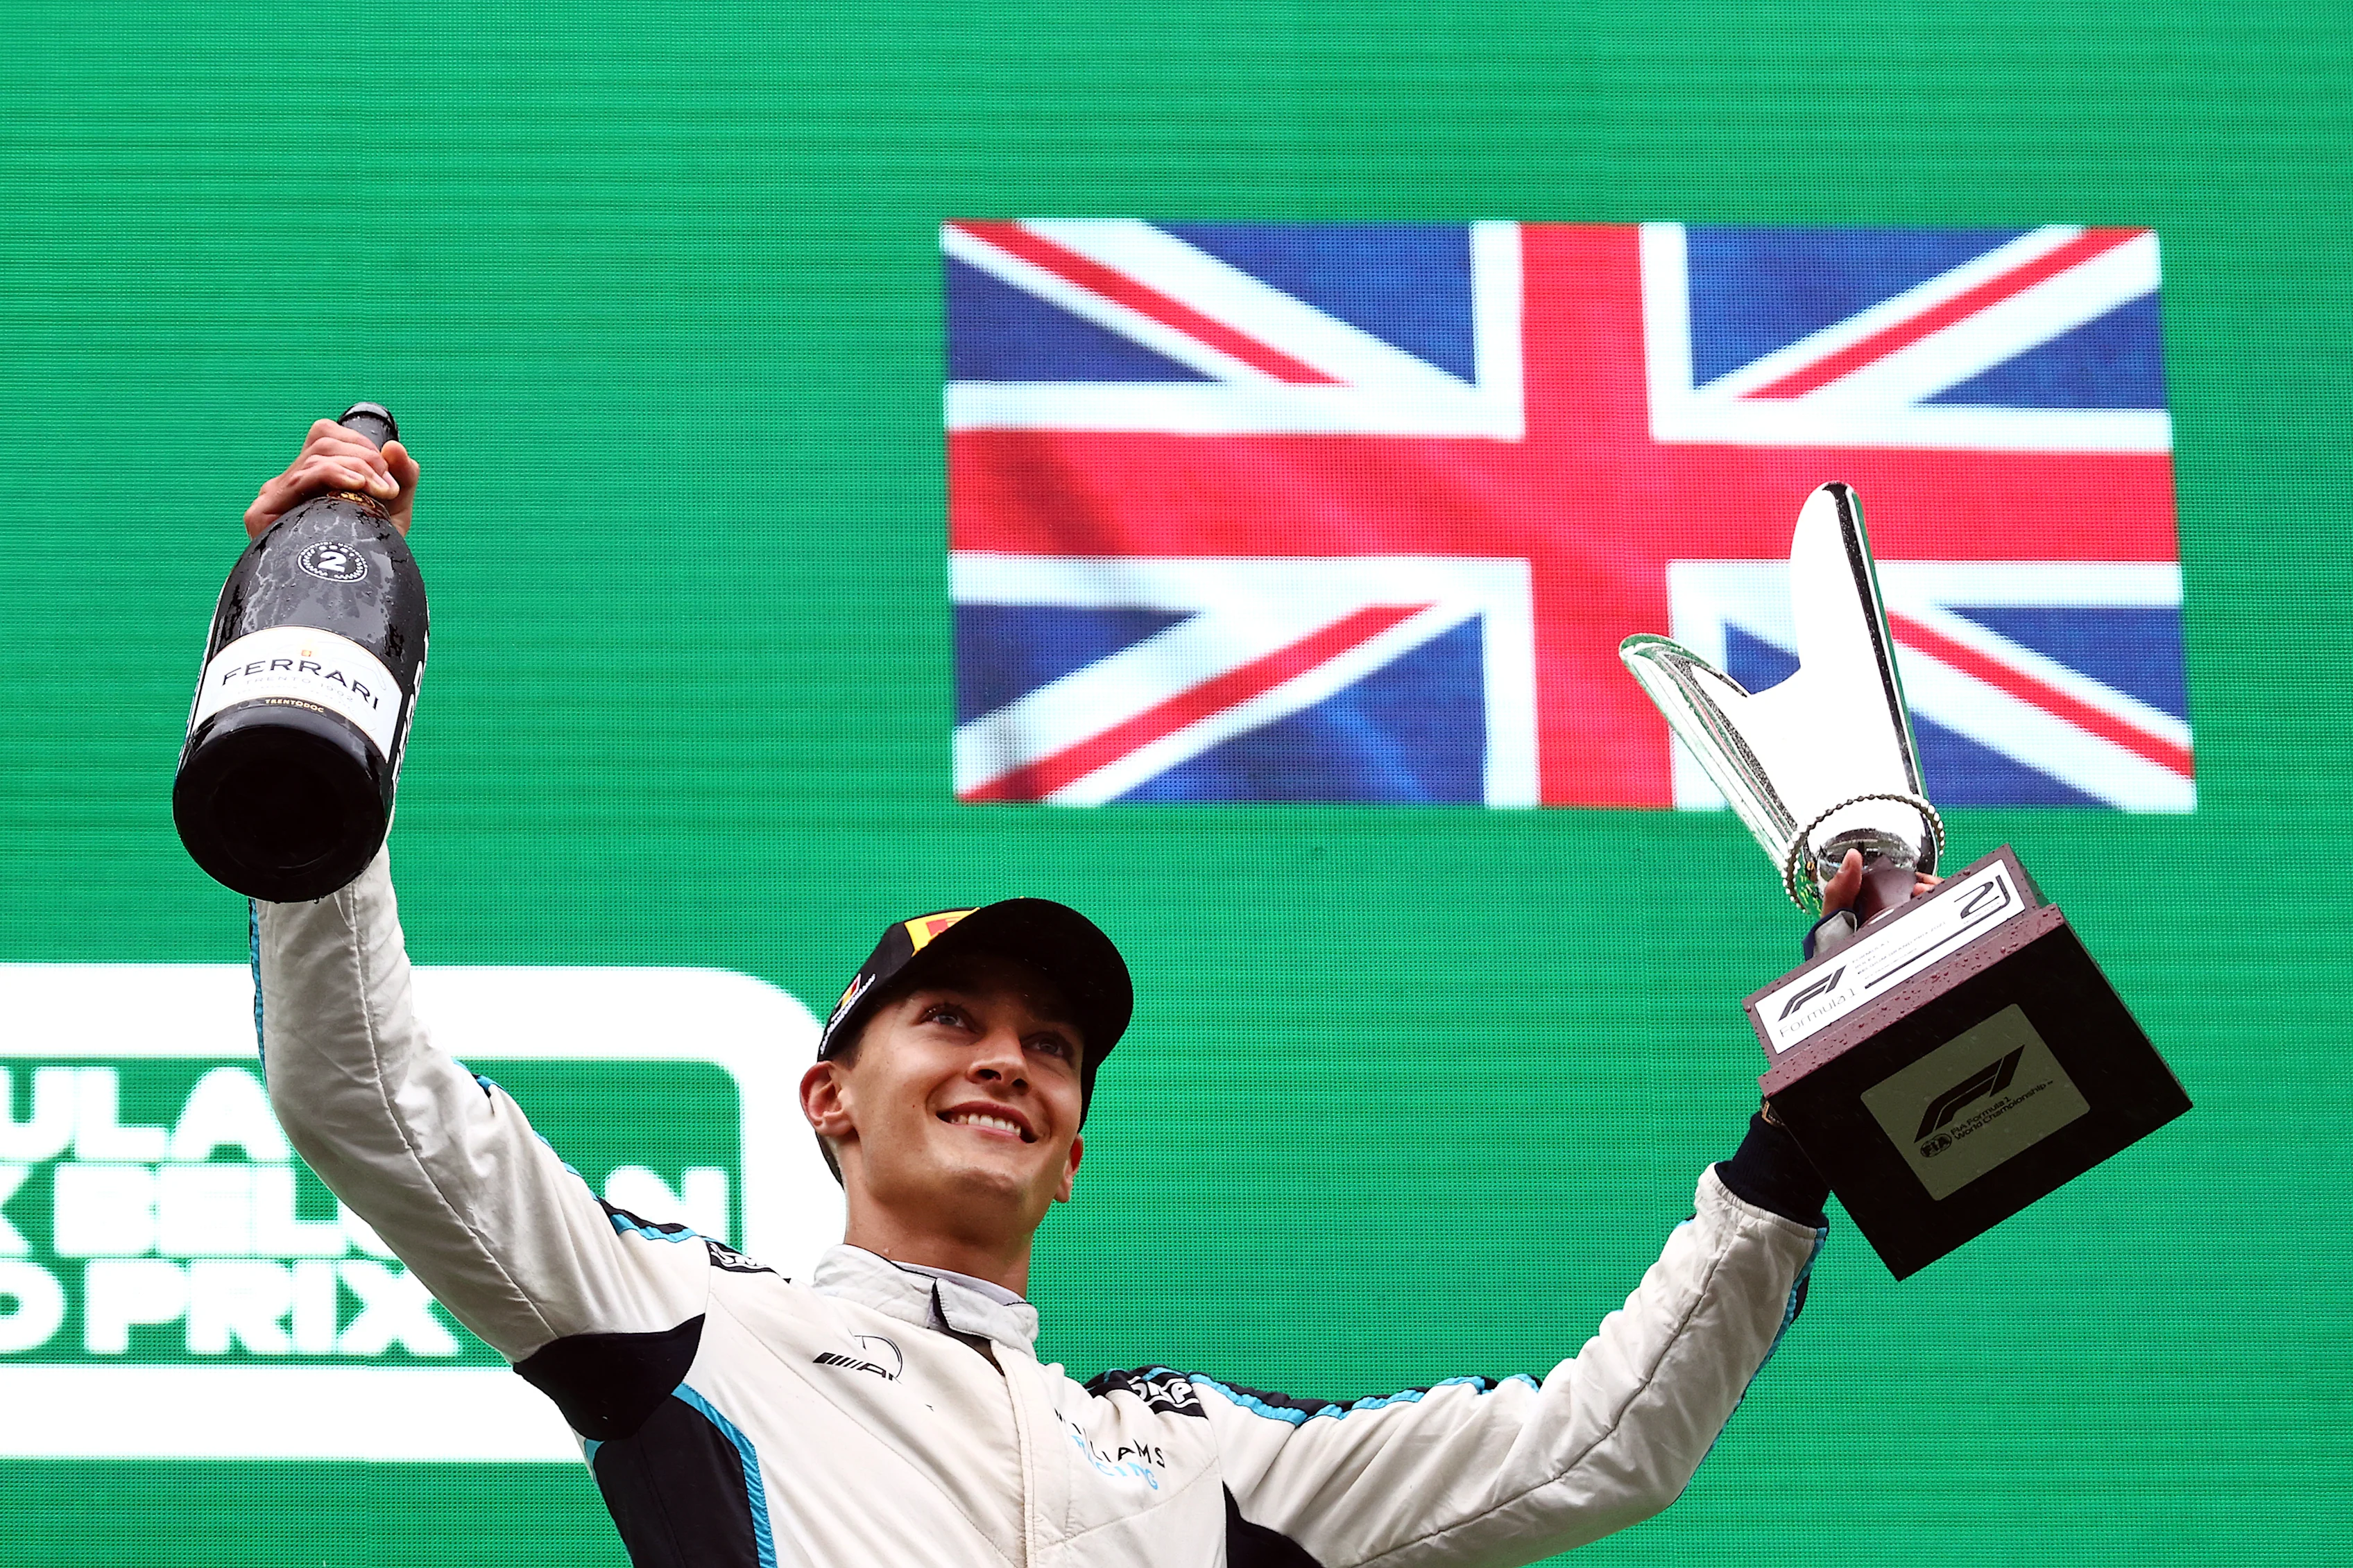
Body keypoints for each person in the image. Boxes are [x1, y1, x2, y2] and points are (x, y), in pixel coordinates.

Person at [246, 420, 1910, 1568]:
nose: (1010, 1063)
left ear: (1074, 1156)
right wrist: (323, 749)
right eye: (951, 1019)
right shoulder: (690, 1318)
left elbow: (1594, 1445)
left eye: (1052, 1047)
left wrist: (1800, 1129)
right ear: (828, 1092)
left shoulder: (1199, 1453)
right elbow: (368, 1098)